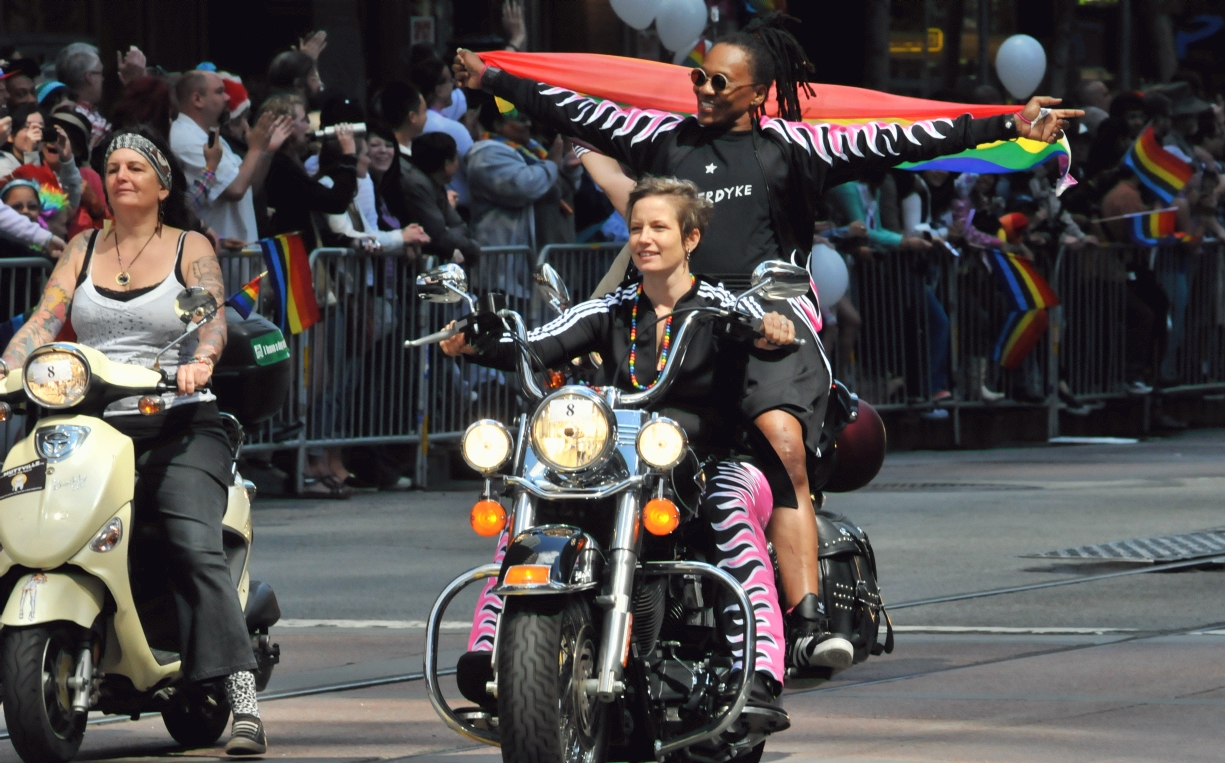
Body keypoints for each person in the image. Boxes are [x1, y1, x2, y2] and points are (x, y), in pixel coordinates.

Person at [454, 12, 1080, 672]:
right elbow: (577, 107)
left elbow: (904, 138)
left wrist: (1006, 123)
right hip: (667, 323)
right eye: (697, 75)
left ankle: (806, 618)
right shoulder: (660, 137)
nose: (702, 87)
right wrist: (493, 77)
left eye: (719, 80)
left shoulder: (797, 148)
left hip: (771, 330)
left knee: (781, 440)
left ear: (758, 93)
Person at [444, 176, 794, 710]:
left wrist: (772, 327)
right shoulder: (610, 310)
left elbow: (759, 329)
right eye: (636, 227)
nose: (645, 238)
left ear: (691, 239)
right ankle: (492, 651)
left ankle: (760, 672)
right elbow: (539, 344)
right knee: (531, 501)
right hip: (622, 457)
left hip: (713, 459)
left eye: (659, 227)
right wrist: (477, 340)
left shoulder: (722, 308)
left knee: (728, 507)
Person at [0, 127, 268, 754]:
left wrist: (201, 359)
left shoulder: (189, 245)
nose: (121, 176)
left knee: (188, 538)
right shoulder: (82, 247)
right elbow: (44, 321)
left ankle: (243, 697)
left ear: (163, 185)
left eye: (136, 168)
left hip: (178, 419)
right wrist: (5, 369)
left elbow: (210, 318)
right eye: (113, 167)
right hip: (91, 419)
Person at [171, 70, 290, 249]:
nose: (227, 98)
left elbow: (250, 186)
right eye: (219, 91)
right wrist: (255, 149)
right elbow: (235, 189)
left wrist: (266, 152)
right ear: (197, 99)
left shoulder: (211, 135)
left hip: (239, 256)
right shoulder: (185, 138)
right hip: (216, 262)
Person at [466, 99, 562, 248]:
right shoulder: (486, 155)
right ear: (498, 125)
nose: (528, 124)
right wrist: (551, 163)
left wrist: (569, 169)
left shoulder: (531, 150)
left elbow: (554, 188)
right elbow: (524, 186)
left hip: (525, 247)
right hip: (499, 248)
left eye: (528, 119)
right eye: (521, 120)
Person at [402, 130, 481, 264]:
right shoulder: (419, 185)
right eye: (455, 158)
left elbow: (459, 226)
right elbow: (438, 234)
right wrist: (471, 247)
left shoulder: (436, 184)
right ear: (447, 164)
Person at [411, 58, 473, 206]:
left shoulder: (412, 124)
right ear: (439, 89)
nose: (453, 85)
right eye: (449, 81)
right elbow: (476, 169)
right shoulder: (451, 128)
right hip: (457, 207)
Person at [55, 42, 110, 150]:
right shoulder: (81, 121)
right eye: (100, 73)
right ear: (89, 77)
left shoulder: (90, 110)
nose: (103, 79)